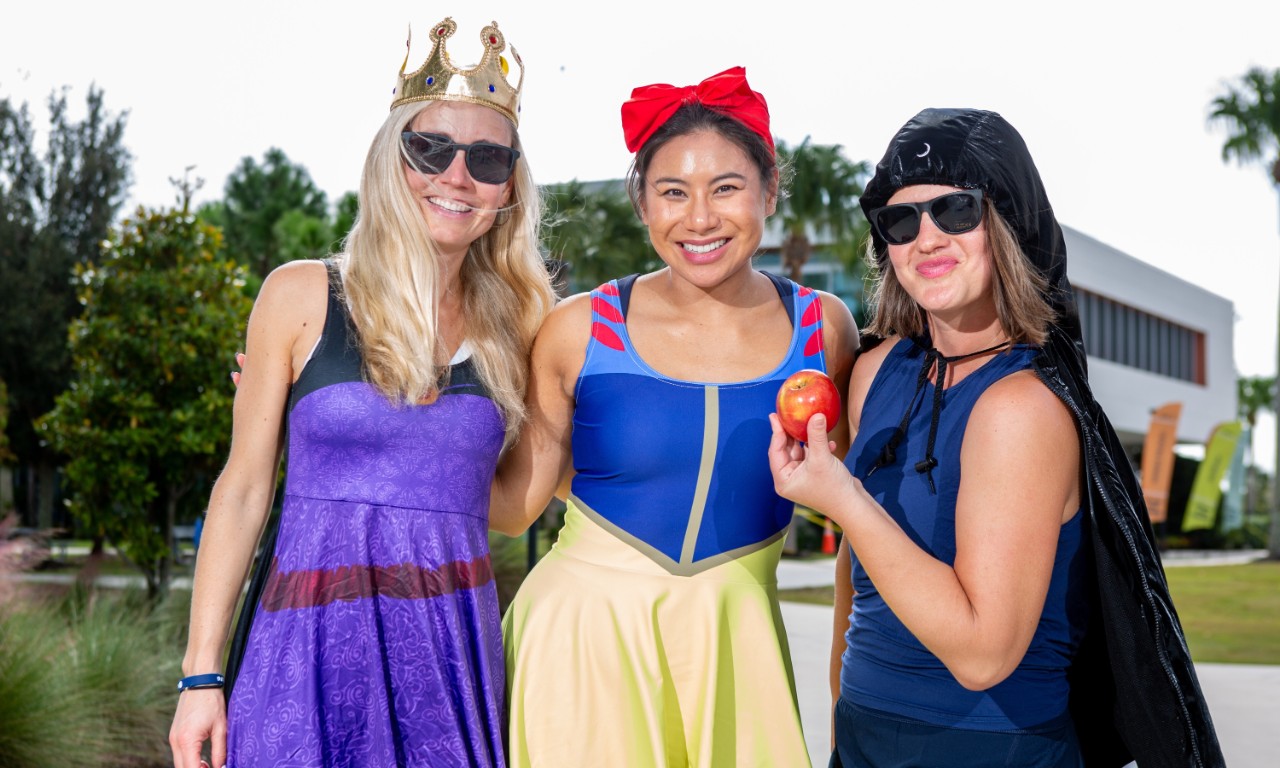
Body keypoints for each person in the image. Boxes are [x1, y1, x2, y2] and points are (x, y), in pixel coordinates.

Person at [768, 108, 1225, 767]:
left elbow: (983, 654)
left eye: (955, 211)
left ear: (1007, 223)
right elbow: (856, 579)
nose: (926, 239)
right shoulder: (876, 372)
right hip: (866, 734)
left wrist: (842, 498)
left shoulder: (1022, 408)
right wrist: (843, 720)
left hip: (990, 748)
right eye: (901, 221)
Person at [168, 18, 554, 768]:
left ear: (510, 184)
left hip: (445, 656)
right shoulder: (300, 295)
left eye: (487, 158)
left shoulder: (521, 326)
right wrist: (200, 676)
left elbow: (506, 509)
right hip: (303, 651)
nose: (457, 176)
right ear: (389, 158)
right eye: (430, 149)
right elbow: (243, 491)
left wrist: (565, 424)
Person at [490, 66, 859, 767]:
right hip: (582, 645)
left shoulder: (825, 329)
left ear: (769, 191)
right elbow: (513, 508)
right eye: (672, 192)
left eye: (726, 188)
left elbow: (860, 513)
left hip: (738, 646)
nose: (699, 219)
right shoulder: (578, 328)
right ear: (642, 203)